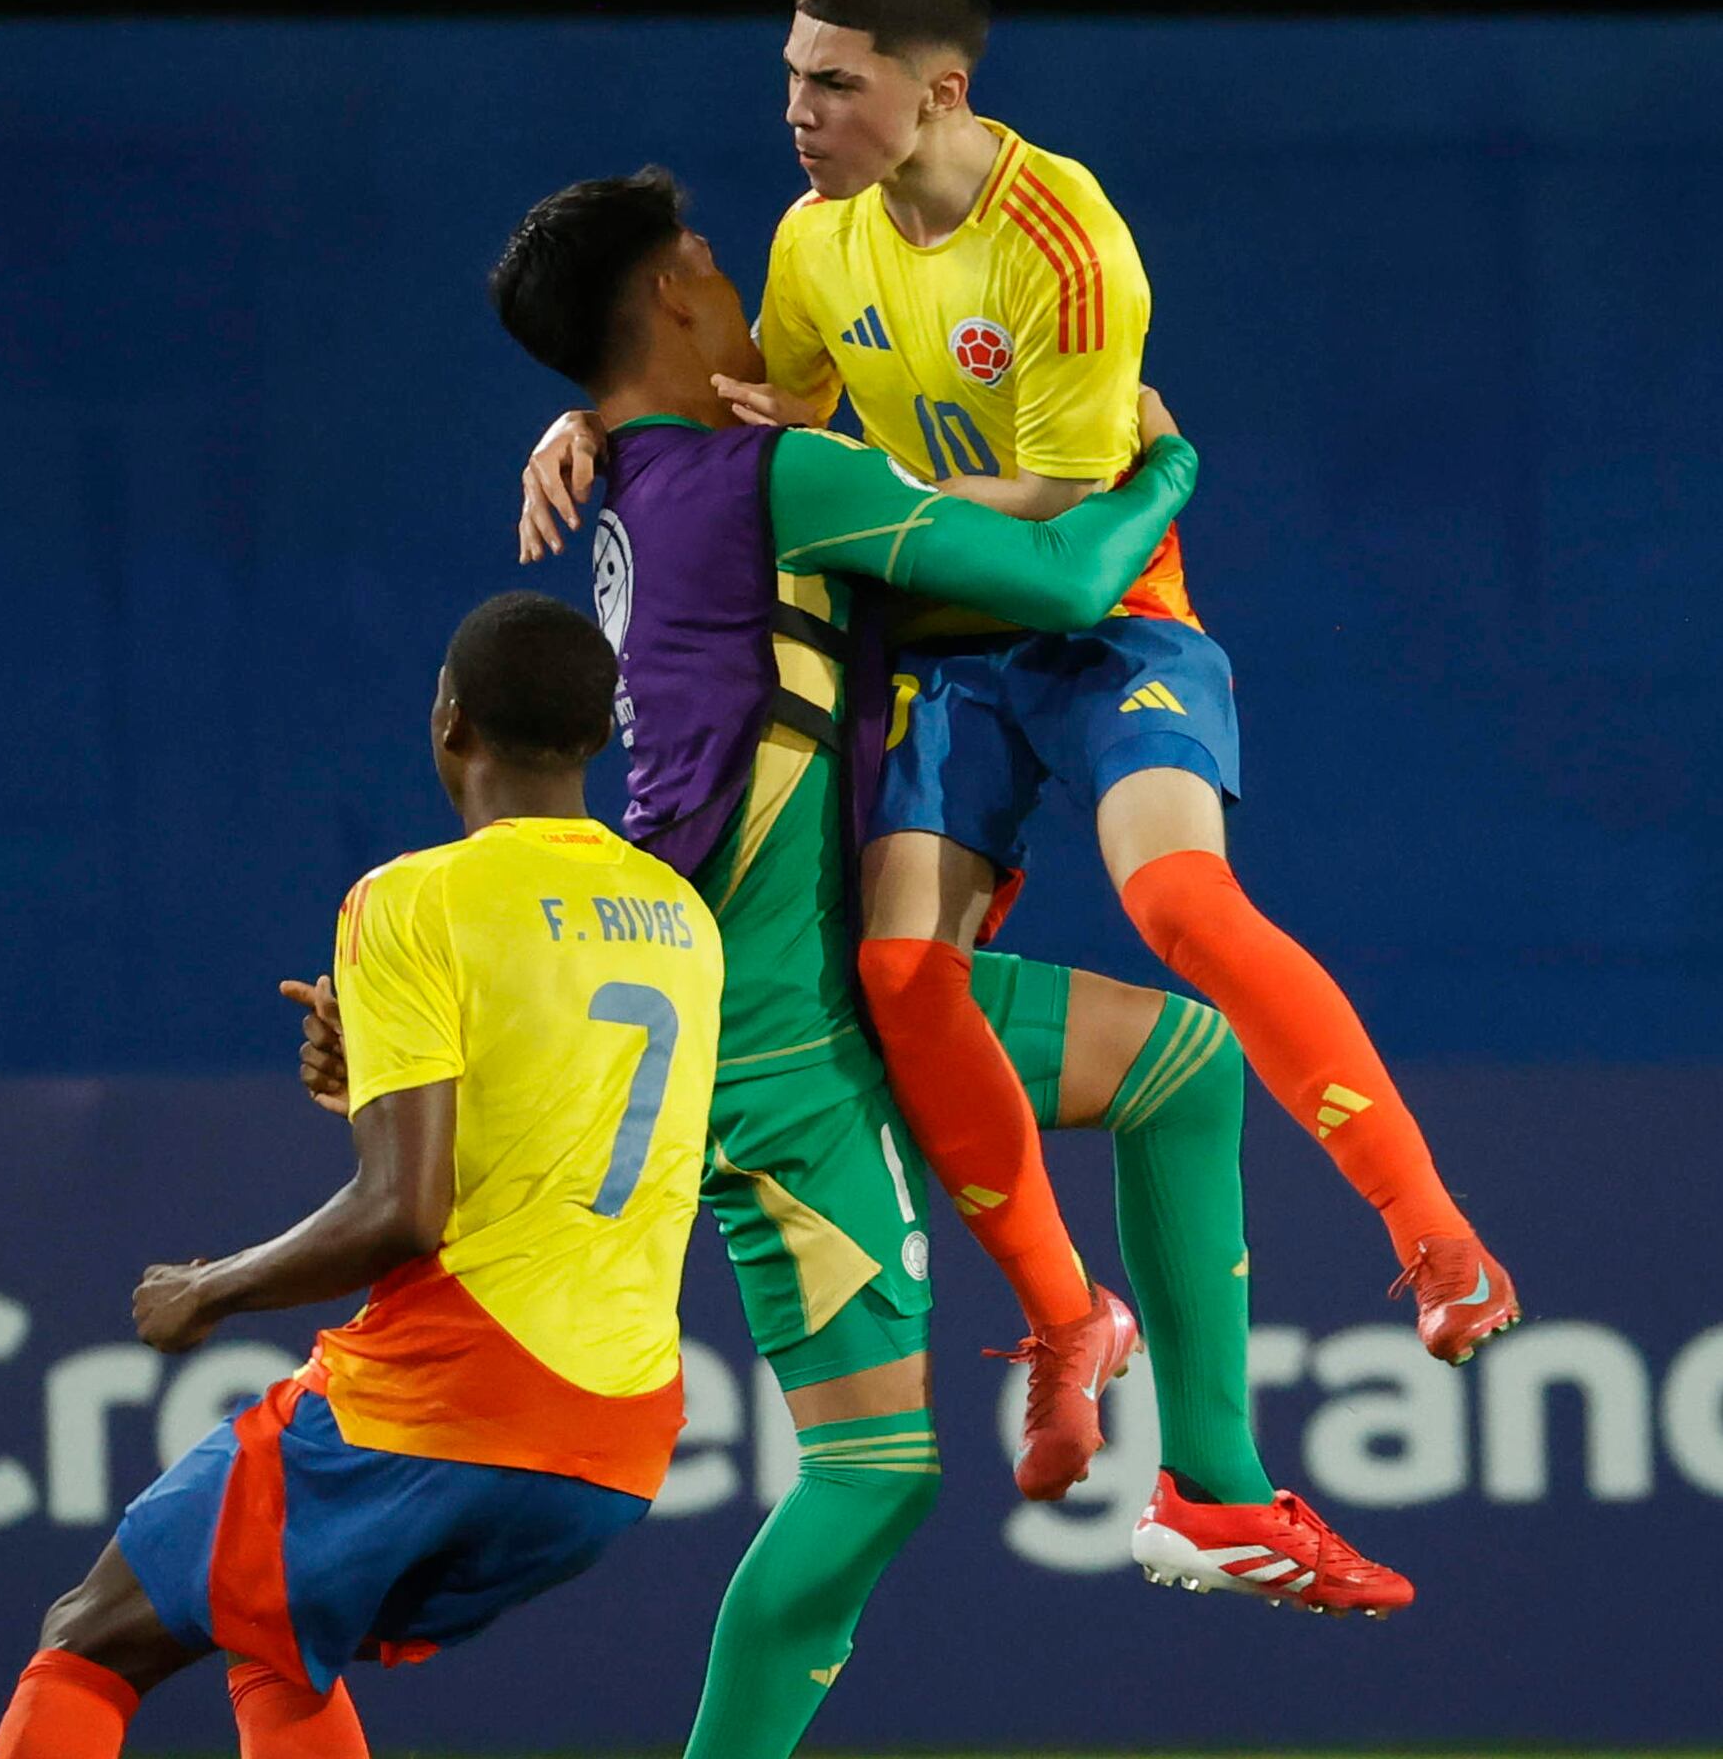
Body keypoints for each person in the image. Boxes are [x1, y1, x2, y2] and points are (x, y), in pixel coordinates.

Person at [442, 172, 1400, 1758]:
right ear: (679, 288)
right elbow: (1069, 582)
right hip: (776, 1056)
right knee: (869, 1481)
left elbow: (914, 530)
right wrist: (1164, 464)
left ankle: (1212, 1491)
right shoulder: (762, 478)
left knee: (1179, 1066)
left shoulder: (659, 483)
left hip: (838, 993)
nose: (744, 277)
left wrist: (591, 427)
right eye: (709, 260)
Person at [519, 0, 1516, 1378]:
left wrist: (888, 495)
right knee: (902, 972)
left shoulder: (1063, 242)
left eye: (831, 84)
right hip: (942, 645)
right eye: (787, 77)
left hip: (1103, 616)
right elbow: (757, 415)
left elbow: (1057, 516)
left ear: (938, 93)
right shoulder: (814, 241)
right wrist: (597, 418)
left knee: (1177, 903)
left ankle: (1432, 1236)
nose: (794, 113)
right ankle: (1067, 1322)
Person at [0, 593, 722, 1759]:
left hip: (450, 1396)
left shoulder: (411, 898)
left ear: (448, 720)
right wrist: (371, 1075)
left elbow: (402, 1212)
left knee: (90, 1636)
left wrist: (209, 1288)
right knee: (274, 1633)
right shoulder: (680, 915)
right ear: (599, 736)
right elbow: (551, 1125)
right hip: (619, 1436)